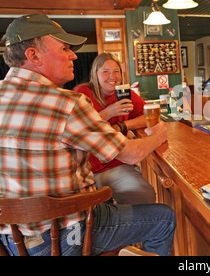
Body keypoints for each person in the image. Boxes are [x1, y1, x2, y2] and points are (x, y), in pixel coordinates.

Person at [0, 14, 175, 256]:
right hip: (63, 237)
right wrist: (158, 135)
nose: (73, 55)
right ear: (33, 56)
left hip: (12, 240)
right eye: (64, 48)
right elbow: (132, 155)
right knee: (164, 218)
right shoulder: (67, 102)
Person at [74, 53, 156, 205]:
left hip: (117, 163)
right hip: (89, 169)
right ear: (95, 74)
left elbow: (148, 117)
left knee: (146, 196)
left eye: (116, 71)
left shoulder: (125, 94)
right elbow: (78, 128)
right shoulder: (83, 93)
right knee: (91, 210)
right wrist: (108, 113)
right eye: (105, 72)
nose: (112, 76)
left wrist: (123, 125)